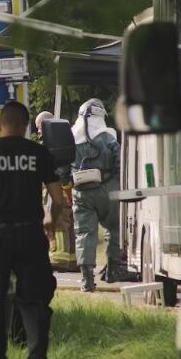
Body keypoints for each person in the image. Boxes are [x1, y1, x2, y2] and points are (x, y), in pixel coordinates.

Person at [0, 101, 65, 359]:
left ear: (0, 126)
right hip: (31, 235)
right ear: (25, 127)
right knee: (34, 301)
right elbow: (58, 199)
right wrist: (51, 223)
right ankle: (36, 357)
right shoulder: (39, 153)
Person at [61, 98, 137, 292]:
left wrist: (67, 185)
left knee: (84, 233)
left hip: (81, 192)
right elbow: (121, 164)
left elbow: (63, 168)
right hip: (108, 190)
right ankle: (112, 270)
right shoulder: (108, 137)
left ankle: (87, 280)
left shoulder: (70, 139)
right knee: (114, 227)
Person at [34, 111, 78, 273]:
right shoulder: (63, 138)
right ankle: (72, 260)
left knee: (58, 221)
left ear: (46, 125)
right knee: (68, 223)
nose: (38, 131)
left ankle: (59, 258)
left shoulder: (53, 142)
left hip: (58, 187)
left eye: (39, 127)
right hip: (66, 187)